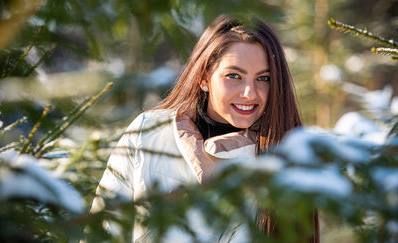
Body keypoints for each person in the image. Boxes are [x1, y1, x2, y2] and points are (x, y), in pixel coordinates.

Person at [91, 14, 320, 242]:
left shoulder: (285, 159)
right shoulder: (149, 132)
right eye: (234, 76)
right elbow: (103, 229)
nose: (250, 93)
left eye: (263, 78)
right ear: (204, 78)